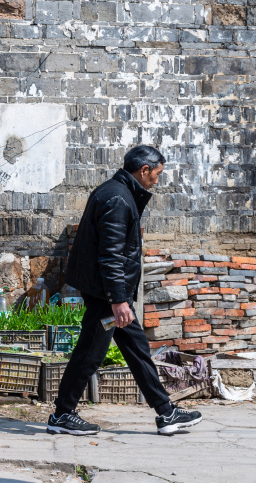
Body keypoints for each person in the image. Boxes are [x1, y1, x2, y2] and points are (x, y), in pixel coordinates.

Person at [50, 145, 203, 437]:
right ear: (144, 170)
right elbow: (111, 255)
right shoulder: (118, 198)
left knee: (137, 349)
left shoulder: (117, 192)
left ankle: (166, 412)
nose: (157, 180)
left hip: (109, 293)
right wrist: (118, 300)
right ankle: (62, 414)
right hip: (106, 296)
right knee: (90, 353)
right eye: (157, 174)